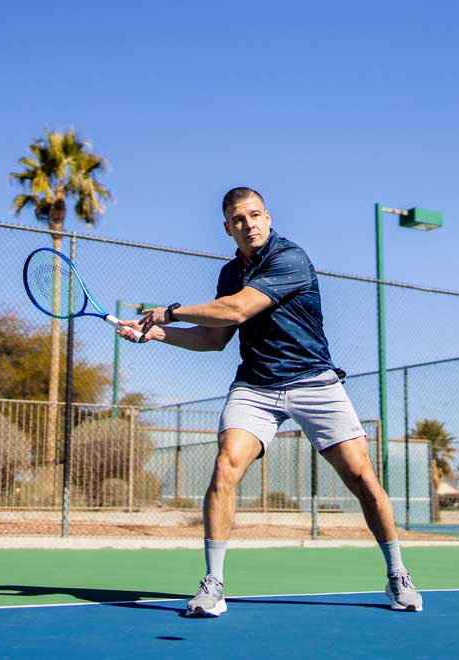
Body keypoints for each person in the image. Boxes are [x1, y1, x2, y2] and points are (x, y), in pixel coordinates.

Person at [118, 187, 422, 617]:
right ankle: (213, 584)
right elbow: (215, 337)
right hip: (256, 386)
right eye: (239, 219)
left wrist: (170, 312)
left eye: (256, 215)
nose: (250, 224)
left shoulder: (289, 257)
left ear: (268, 217)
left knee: (362, 478)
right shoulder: (228, 273)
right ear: (228, 228)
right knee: (225, 465)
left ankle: (398, 573)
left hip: (313, 380)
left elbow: (238, 310)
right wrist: (155, 333)